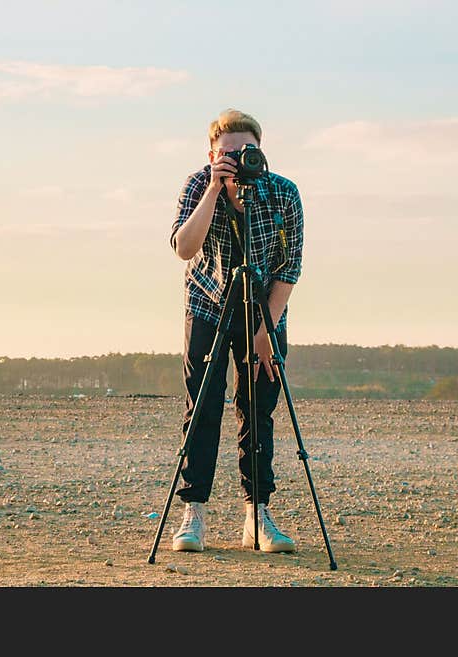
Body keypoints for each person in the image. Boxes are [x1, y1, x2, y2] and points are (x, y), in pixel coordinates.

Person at [168, 108, 303, 553]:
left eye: (246, 152)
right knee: (202, 406)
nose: (236, 160)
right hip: (207, 302)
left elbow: (289, 266)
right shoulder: (197, 184)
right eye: (226, 154)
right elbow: (184, 248)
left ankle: (257, 515)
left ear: (260, 153)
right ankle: (194, 514)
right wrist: (213, 189)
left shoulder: (284, 194)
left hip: (262, 305)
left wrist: (268, 327)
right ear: (211, 155)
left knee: (258, 408)